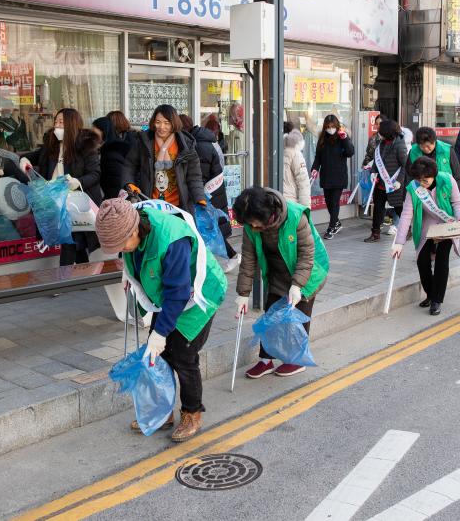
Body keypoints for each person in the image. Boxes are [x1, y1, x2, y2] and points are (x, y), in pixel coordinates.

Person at [94, 196, 226, 442]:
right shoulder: (129, 219)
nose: (122, 250)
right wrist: (129, 272)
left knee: (183, 356)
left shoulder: (172, 238)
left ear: (135, 229)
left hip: (199, 294)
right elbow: (139, 257)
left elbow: (178, 293)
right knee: (159, 355)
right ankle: (162, 410)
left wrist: (161, 333)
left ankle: (192, 412)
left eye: (123, 244)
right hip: (169, 295)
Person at [233, 186, 328, 378]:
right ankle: (265, 360)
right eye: (248, 224)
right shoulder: (251, 225)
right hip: (278, 272)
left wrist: (297, 286)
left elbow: (307, 255)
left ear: (267, 215)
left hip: (308, 271)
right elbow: (249, 260)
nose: (251, 228)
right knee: (271, 316)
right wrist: (243, 294)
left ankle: (295, 360)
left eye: (253, 224)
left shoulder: (295, 217)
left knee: (296, 317)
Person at [20, 108, 102, 265]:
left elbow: (95, 174)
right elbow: (32, 156)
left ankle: (64, 282)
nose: (57, 126)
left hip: (75, 202)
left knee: (70, 241)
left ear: (72, 125)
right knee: (73, 242)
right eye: (56, 122)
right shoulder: (51, 145)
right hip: (54, 200)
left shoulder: (85, 147)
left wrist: (78, 182)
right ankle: (82, 280)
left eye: (61, 122)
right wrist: (24, 160)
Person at [391, 156, 460, 316]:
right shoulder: (413, 187)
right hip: (426, 227)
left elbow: (457, 203)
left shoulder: (447, 180)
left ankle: (436, 300)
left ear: (434, 174)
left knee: (441, 261)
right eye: (419, 180)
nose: (422, 184)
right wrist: (399, 242)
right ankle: (430, 293)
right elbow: (406, 214)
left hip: (448, 226)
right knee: (422, 261)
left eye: (425, 180)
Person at [179, 114, 240, 271]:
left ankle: (228, 258)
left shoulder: (197, 145)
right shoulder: (205, 141)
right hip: (212, 192)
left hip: (207, 195)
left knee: (208, 229)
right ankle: (227, 257)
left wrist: (198, 194)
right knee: (209, 229)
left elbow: (200, 174)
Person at [121, 105, 206, 215]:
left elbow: (194, 176)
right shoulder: (144, 141)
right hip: (150, 204)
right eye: (158, 122)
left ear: (174, 123)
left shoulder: (186, 145)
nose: (161, 127)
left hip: (178, 206)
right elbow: (130, 165)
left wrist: (199, 197)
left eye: (167, 123)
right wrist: (129, 183)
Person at [311, 114, 355, 239]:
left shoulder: (342, 137)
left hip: (339, 175)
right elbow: (318, 157)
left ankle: (331, 228)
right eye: (328, 127)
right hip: (326, 175)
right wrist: (314, 169)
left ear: (337, 126)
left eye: (332, 126)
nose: (330, 129)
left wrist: (345, 138)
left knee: (335, 202)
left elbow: (350, 152)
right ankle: (336, 222)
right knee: (329, 202)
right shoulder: (322, 139)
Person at [365, 119, 408, 243]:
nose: (379, 132)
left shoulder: (399, 144)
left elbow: (405, 165)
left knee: (399, 208)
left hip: (394, 184)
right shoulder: (381, 143)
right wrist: (373, 172)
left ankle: (409, 229)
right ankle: (375, 233)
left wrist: (399, 180)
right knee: (378, 209)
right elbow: (376, 160)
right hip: (380, 184)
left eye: (380, 130)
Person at [92, 110, 137, 199]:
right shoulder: (108, 149)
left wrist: (108, 204)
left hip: (114, 201)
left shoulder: (111, 154)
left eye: (94, 131)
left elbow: (114, 185)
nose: (92, 135)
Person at [411, 127, 460, 194]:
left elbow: (457, 175)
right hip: (422, 194)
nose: (425, 149)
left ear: (434, 141)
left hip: (445, 193)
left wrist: (459, 195)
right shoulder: (413, 152)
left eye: (428, 146)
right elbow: (408, 176)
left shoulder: (447, 150)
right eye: (421, 146)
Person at [283, 121, 312, 209]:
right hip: (287, 201)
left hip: (288, 203)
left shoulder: (294, 153)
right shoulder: (294, 153)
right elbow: (303, 181)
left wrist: (304, 208)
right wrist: (305, 208)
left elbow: (303, 181)